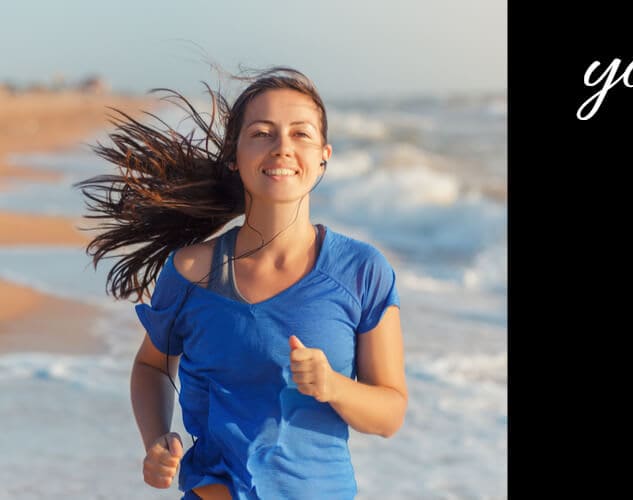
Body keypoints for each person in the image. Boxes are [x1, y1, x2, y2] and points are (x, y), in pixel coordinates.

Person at [77, 68, 407, 499]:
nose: (283, 147)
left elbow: (390, 413)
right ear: (235, 155)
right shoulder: (192, 271)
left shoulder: (362, 270)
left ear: (324, 155)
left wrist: (333, 386)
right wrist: (156, 439)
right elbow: (152, 366)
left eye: (300, 134)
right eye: (262, 133)